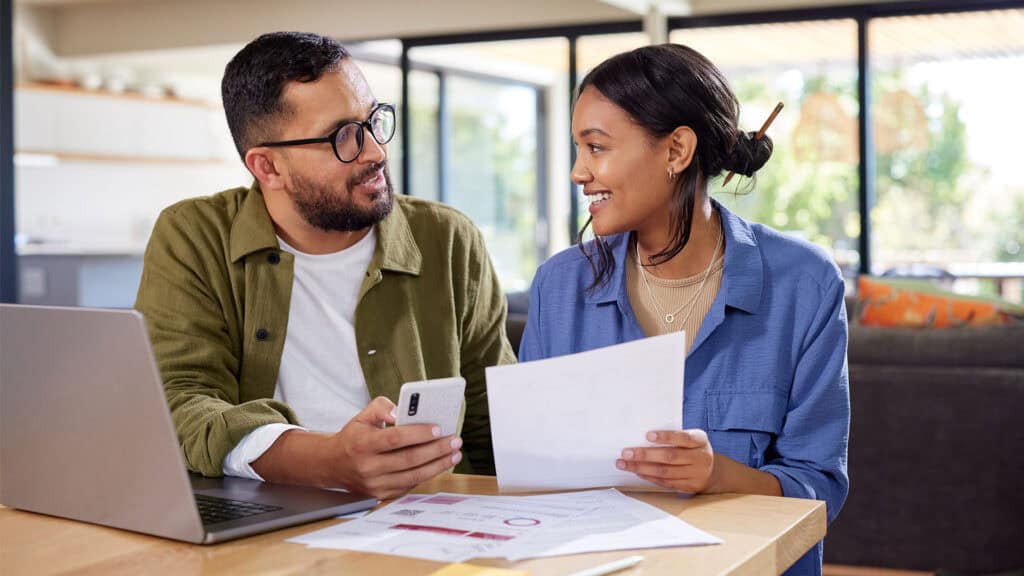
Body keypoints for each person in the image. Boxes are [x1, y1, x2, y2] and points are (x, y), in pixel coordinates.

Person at [135, 32, 515, 499]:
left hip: (429, 512)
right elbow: (179, 401)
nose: (376, 151)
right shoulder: (194, 235)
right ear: (267, 167)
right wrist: (326, 462)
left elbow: (496, 415)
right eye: (344, 137)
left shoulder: (448, 238)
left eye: (374, 121)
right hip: (265, 516)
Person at [517, 44, 849, 576]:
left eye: (596, 147)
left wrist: (718, 474)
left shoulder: (804, 284)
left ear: (676, 151)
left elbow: (820, 488)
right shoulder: (559, 286)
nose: (579, 172)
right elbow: (531, 475)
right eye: (578, 150)